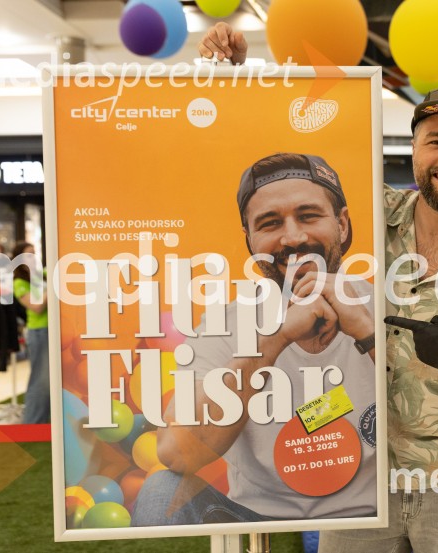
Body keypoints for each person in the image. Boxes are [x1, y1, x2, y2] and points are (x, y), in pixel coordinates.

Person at [197, 25, 438, 552]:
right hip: (360, 475)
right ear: (413, 148)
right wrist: (237, 78)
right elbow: (276, 163)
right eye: (437, 141)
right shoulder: (370, 215)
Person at [133, 153, 378, 525]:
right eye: (270, 223)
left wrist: (366, 331)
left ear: (342, 225)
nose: (293, 237)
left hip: (376, 520)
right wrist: (277, 337)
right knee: (160, 492)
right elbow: (177, 452)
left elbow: (436, 423)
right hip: (260, 521)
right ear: (250, 240)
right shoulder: (225, 323)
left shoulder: (387, 307)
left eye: (309, 215)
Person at [12, 242, 50, 424]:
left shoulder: (41, 275)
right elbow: (36, 307)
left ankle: (47, 420)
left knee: (51, 380)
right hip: (39, 332)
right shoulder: (19, 282)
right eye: (28, 255)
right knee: (40, 380)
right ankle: (32, 423)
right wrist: (52, 289)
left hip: (51, 331)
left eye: (34, 253)